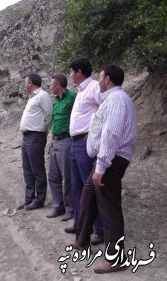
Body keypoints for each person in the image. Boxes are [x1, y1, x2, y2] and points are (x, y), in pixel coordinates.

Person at [72, 64, 136, 273]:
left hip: (110, 161)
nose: (98, 81)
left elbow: (111, 134)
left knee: (109, 210)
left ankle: (116, 259)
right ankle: (82, 240)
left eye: (100, 78)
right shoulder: (112, 100)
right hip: (106, 159)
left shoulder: (116, 100)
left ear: (107, 79)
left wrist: (100, 167)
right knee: (88, 196)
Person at [64, 58, 104, 245]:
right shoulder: (81, 90)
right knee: (77, 186)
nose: (70, 75)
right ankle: (81, 225)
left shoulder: (95, 87)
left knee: (90, 188)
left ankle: (99, 229)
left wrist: (95, 130)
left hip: (85, 144)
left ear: (79, 71)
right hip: (75, 143)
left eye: (72, 71)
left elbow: (106, 108)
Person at [18, 73, 53, 211]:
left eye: (26, 82)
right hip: (27, 137)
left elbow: (49, 114)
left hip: (35, 136)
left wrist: (44, 130)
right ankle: (29, 199)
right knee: (27, 169)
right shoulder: (33, 97)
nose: (25, 85)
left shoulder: (42, 95)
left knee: (37, 169)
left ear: (31, 83)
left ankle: (39, 199)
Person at [46, 74, 76, 221]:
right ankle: (58, 206)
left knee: (68, 177)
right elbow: (56, 122)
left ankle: (71, 209)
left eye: (52, 84)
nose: (50, 87)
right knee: (53, 176)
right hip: (55, 142)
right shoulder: (55, 101)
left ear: (58, 85)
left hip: (66, 141)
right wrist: (51, 141)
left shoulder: (73, 97)